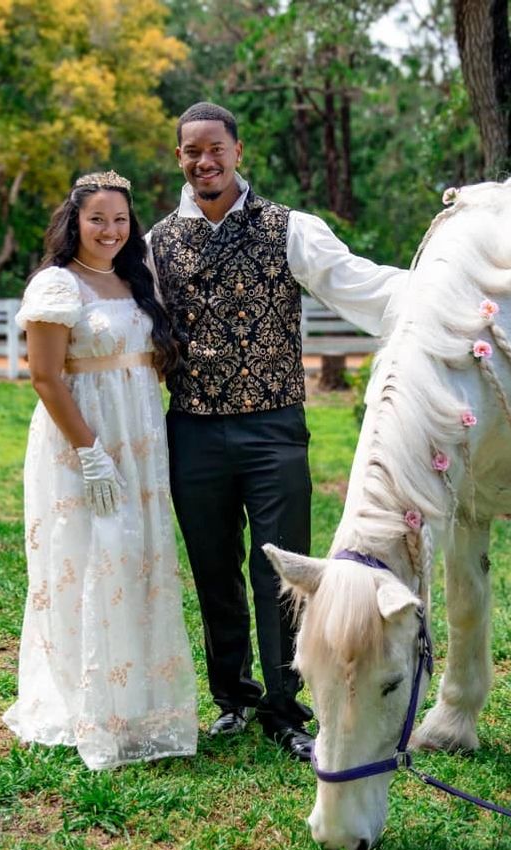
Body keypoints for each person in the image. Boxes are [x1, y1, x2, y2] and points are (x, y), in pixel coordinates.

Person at [146, 102, 407, 761]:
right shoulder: (154, 243)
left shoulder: (290, 229)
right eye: (191, 151)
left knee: (286, 574)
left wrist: (439, 295)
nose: (204, 161)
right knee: (213, 569)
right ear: (179, 159)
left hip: (273, 430)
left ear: (237, 152)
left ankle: (286, 709)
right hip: (193, 431)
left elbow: (358, 284)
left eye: (215, 149)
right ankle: (234, 697)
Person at [3, 171, 198, 771]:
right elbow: (45, 377)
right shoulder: (57, 286)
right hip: (82, 439)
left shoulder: (134, 280)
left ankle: (133, 697)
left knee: (135, 559)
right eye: (97, 220)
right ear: (75, 222)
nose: (110, 231)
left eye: (120, 220)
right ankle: (88, 703)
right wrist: (90, 452)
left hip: (139, 438)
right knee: (91, 555)